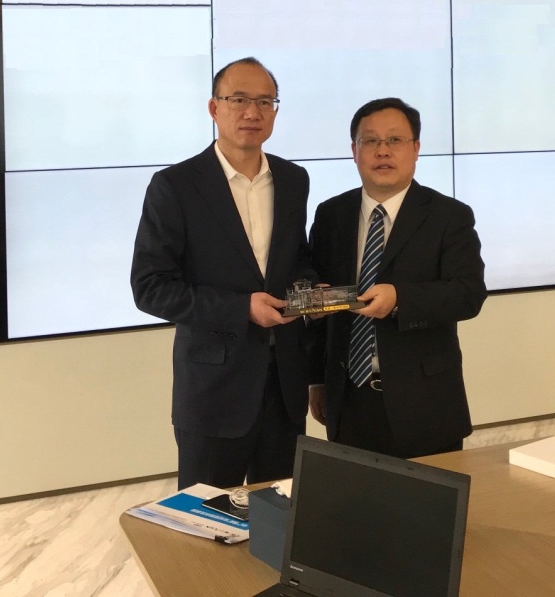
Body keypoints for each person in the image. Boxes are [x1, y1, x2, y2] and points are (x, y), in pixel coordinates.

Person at [130, 57, 314, 487]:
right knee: (205, 516)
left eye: (265, 101)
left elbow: (296, 261)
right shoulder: (175, 186)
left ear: (275, 111)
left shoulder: (294, 180)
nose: (252, 112)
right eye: (239, 100)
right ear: (214, 108)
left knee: (282, 512)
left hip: (284, 387)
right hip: (213, 392)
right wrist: (240, 308)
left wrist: (310, 291)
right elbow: (150, 287)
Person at [307, 97, 487, 459]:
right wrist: (317, 380)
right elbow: (318, 303)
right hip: (348, 399)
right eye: (370, 141)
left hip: (425, 404)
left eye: (394, 140)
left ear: (416, 148)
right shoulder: (331, 215)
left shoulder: (448, 216)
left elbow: (468, 294)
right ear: (354, 151)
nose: (382, 151)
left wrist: (400, 299)